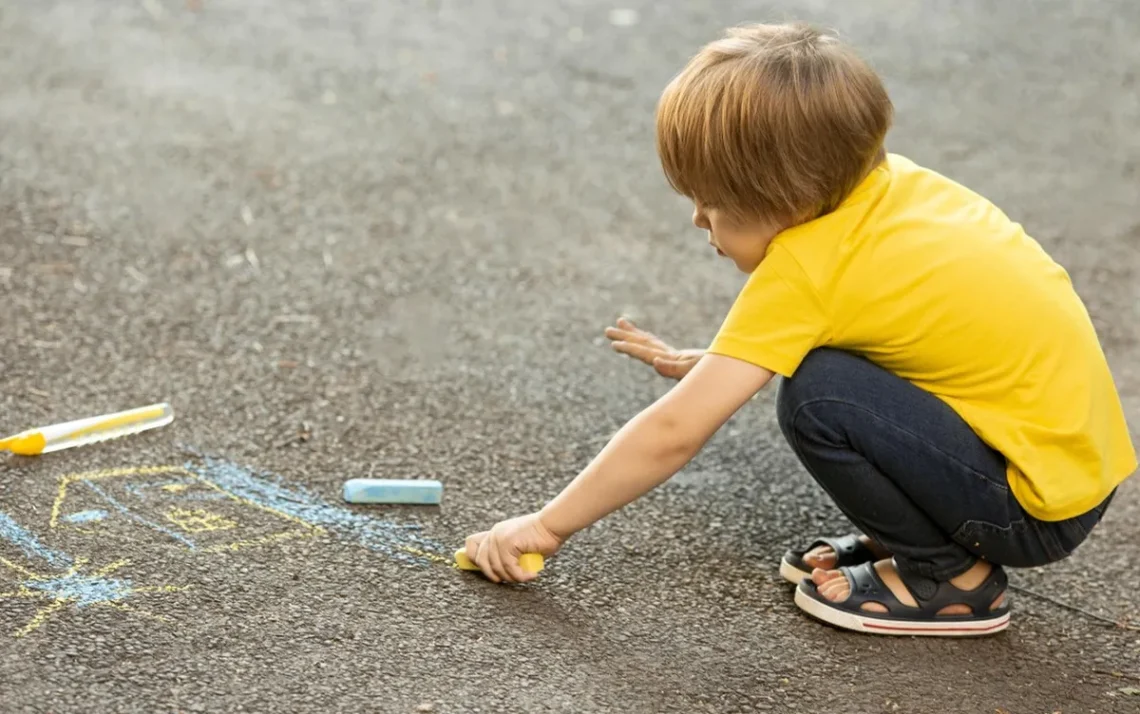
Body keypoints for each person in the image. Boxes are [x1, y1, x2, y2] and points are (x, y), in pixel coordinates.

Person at [461, 22, 1136, 636]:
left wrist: (547, 526)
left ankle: (950, 577)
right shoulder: (892, 189)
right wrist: (723, 359)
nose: (699, 220)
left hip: (1027, 509)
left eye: (714, 205)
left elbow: (673, 433)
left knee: (817, 397)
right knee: (823, 372)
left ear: (787, 205)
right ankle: (930, 537)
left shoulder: (806, 272)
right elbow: (914, 328)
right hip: (1069, 467)